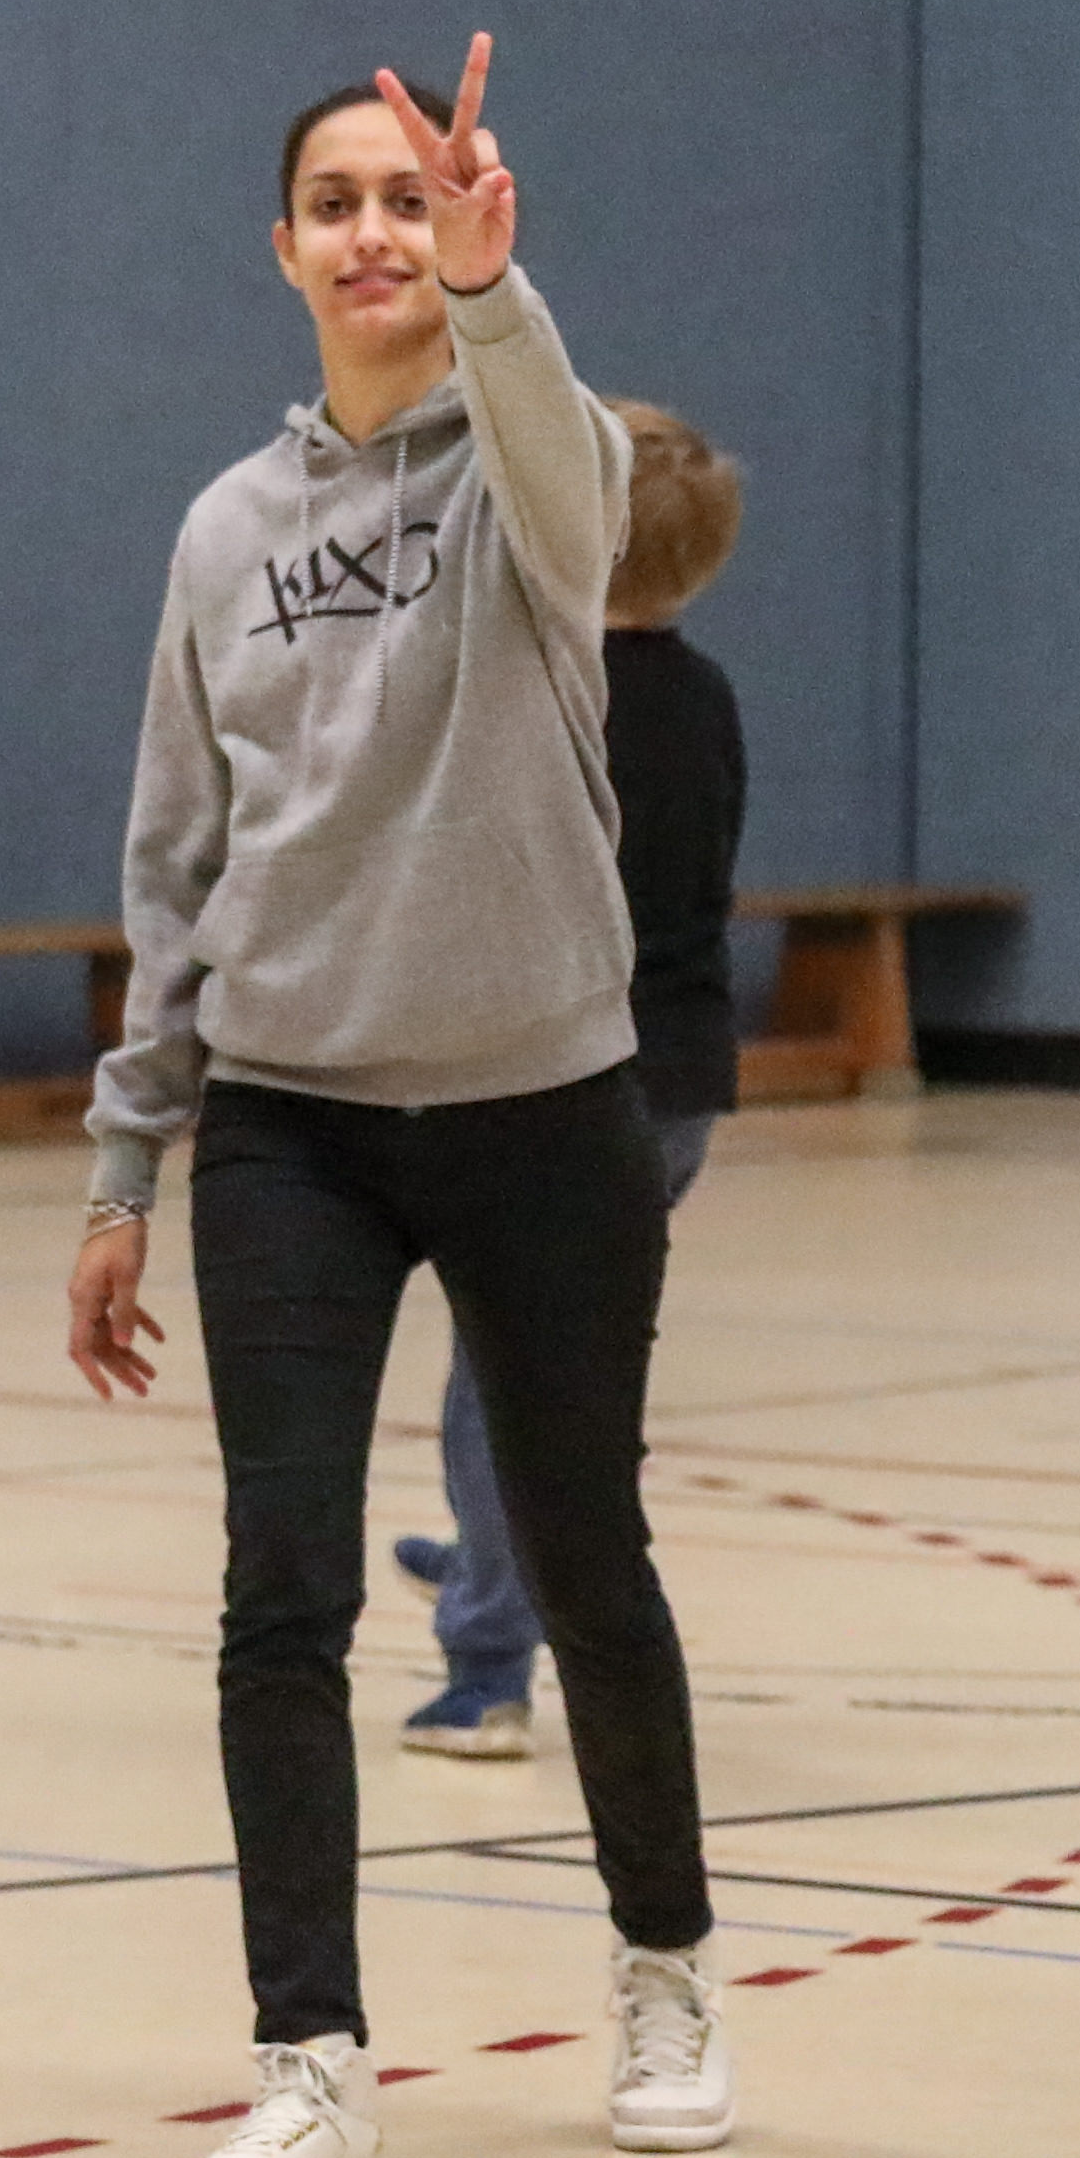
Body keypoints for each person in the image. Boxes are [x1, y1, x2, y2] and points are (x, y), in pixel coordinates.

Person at [67, 34, 736, 2158]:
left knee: (588, 1554)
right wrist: (125, 1163)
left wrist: (492, 283)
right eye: (339, 203)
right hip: (295, 1124)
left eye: (408, 198)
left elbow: (567, 462)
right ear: (282, 248)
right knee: (282, 1585)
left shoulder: (541, 471)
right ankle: (312, 2068)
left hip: (546, 1104)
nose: (376, 230)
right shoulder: (221, 533)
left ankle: (666, 1974)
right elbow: (177, 861)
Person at [394, 403, 749, 1759]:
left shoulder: (545, 697)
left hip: (568, 1079)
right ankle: (497, 1552)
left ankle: (489, 1658)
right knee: (547, 1354)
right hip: (681, 1082)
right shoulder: (706, 696)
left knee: (503, 1377)